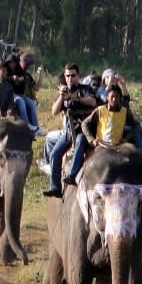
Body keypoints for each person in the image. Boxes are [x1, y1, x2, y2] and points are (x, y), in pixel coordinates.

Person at [62, 84, 142, 186]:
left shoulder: (125, 112)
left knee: (134, 155)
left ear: (120, 98)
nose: (114, 99)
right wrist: (91, 139)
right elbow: (85, 123)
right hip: (101, 143)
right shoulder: (100, 110)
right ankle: (72, 174)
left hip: (118, 144)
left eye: (117, 96)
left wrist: (126, 138)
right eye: (112, 96)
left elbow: (136, 126)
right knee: (80, 140)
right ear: (107, 97)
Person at [41, 64, 99, 198]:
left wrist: (76, 98)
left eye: (73, 75)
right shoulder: (64, 91)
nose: (70, 78)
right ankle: (55, 186)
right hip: (69, 131)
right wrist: (61, 96)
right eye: (67, 76)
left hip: (85, 131)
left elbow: (93, 102)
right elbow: (54, 111)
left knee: (79, 142)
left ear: (78, 76)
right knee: (55, 154)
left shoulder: (85, 89)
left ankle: (72, 174)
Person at [10, 52, 46, 136]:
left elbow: (36, 88)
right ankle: (26, 126)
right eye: (30, 64)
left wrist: (41, 76)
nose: (31, 66)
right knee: (21, 102)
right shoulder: (14, 70)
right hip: (12, 95)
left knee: (31, 103)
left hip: (21, 95)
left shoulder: (27, 75)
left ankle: (36, 128)